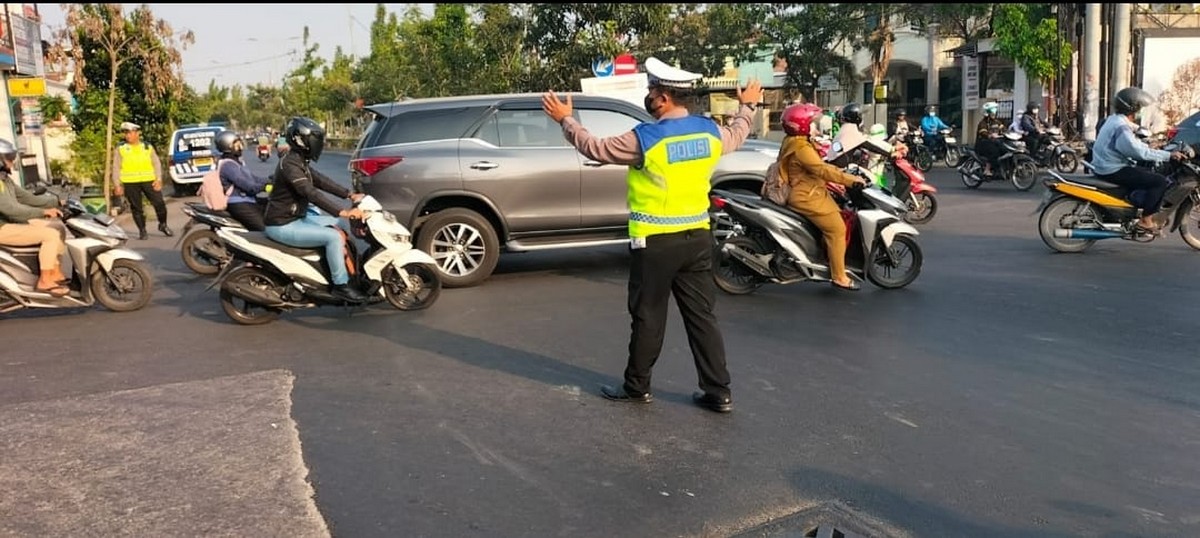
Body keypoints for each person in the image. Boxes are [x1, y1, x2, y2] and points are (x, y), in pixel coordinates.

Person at [540, 57, 763, 414]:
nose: (648, 97)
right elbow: (737, 134)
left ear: (663, 97)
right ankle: (719, 392)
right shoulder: (708, 132)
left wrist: (565, 119)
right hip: (697, 238)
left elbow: (595, 148)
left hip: (656, 241)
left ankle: (637, 387)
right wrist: (747, 104)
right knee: (702, 316)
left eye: (651, 92)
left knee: (648, 315)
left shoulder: (646, 138)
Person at [263, 116, 367, 303]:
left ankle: (346, 271)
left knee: (337, 226)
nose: (319, 144)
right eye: (316, 140)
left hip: (295, 218)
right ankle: (340, 286)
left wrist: (349, 195)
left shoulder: (298, 161)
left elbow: (320, 181)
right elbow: (309, 192)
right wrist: (342, 211)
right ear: (302, 140)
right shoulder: (290, 165)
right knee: (333, 236)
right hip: (282, 224)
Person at [779, 103, 869, 292]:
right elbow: (821, 169)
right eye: (812, 123)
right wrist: (851, 180)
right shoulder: (801, 147)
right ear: (801, 126)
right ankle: (839, 276)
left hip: (810, 191)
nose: (816, 126)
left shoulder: (794, 141)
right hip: (806, 196)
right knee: (837, 230)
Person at [1091, 86, 1187, 234]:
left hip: (1104, 165)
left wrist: (1153, 138)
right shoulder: (1121, 127)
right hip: (1112, 169)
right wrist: (1168, 155)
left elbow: (1133, 130)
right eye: (1139, 107)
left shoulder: (1114, 119)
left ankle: (1133, 208)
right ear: (1132, 108)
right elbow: (1137, 152)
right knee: (1159, 181)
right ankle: (1145, 220)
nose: (1140, 110)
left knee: (1146, 172)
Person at [0, 139, 69, 296]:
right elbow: (11, 210)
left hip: (9, 223)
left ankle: (54, 271)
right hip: (2, 228)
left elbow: (28, 198)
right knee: (50, 235)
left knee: (57, 227)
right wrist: (43, 212)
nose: (12, 160)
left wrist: (57, 201)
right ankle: (44, 280)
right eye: (8, 157)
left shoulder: (5, 179)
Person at [112, 121, 172, 240]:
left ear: (137, 133)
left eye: (129, 133)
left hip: (149, 181)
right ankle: (142, 230)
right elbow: (116, 167)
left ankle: (163, 224)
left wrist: (158, 179)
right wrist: (117, 184)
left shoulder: (147, 147)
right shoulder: (121, 148)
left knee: (159, 203)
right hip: (130, 182)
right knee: (136, 207)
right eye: (125, 133)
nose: (127, 136)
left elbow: (156, 163)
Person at [213, 131, 270, 231]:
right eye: (237, 144)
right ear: (229, 146)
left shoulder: (237, 162)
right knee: (265, 230)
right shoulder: (228, 165)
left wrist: (272, 179)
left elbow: (254, 178)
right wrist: (265, 187)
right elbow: (249, 186)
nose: (241, 146)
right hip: (239, 204)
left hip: (249, 200)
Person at [974, 101, 1007, 175]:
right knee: (994, 151)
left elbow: (1004, 129)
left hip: (995, 142)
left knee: (1005, 149)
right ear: (987, 113)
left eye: (994, 113)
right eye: (992, 113)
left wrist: (1008, 133)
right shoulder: (983, 123)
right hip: (982, 144)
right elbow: (983, 133)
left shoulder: (997, 122)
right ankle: (987, 169)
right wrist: (990, 135)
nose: (994, 115)